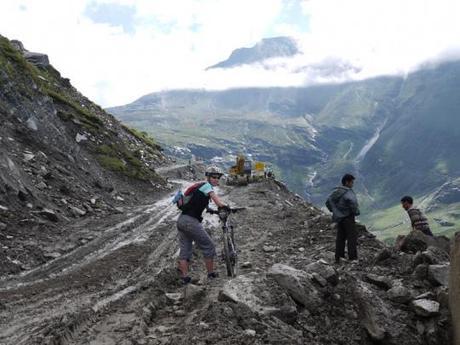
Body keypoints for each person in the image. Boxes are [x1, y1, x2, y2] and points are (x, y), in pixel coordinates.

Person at [176, 165, 227, 284]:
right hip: (190, 221)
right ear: (208, 177)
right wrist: (225, 207)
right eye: (214, 177)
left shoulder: (200, 187)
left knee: (185, 249)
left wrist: (212, 210)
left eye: (218, 178)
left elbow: (200, 204)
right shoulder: (207, 186)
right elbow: (217, 201)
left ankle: (185, 278)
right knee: (209, 245)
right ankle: (211, 274)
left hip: (181, 220)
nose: (216, 179)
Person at [326, 173, 360, 263]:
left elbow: (328, 202)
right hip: (348, 217)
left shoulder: (337, 192)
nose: (352, 184)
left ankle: (339, 257)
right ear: (347, 182)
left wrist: (335, 211)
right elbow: (353, 204)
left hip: (339, 218)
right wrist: (356, 212)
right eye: (352, 182)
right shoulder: (348, 192)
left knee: (340, 237)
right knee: (351, 237)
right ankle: (353, 257)